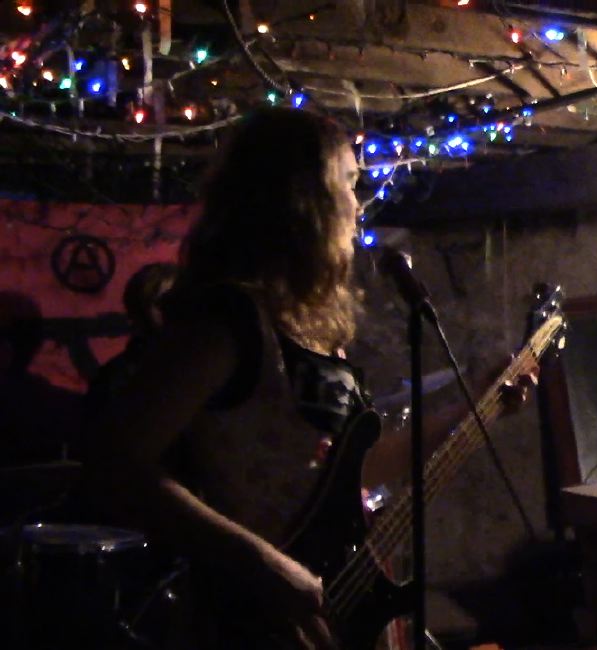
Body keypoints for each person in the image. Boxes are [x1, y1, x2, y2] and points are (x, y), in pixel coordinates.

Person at [86, 108, 532, 649]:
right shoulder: (226, 321)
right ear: (302, 200)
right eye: (348, 182)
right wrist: (263, 563)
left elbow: (361, 469)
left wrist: (476, 407)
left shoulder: (305, 325)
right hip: (245, 620)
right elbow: (114, 463)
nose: (358, 204)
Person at [85, 262, 179, 422]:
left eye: (181, 300)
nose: (175, 309)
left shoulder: (205, 362)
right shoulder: (118, 377)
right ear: (140, 312)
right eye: (164, 302)